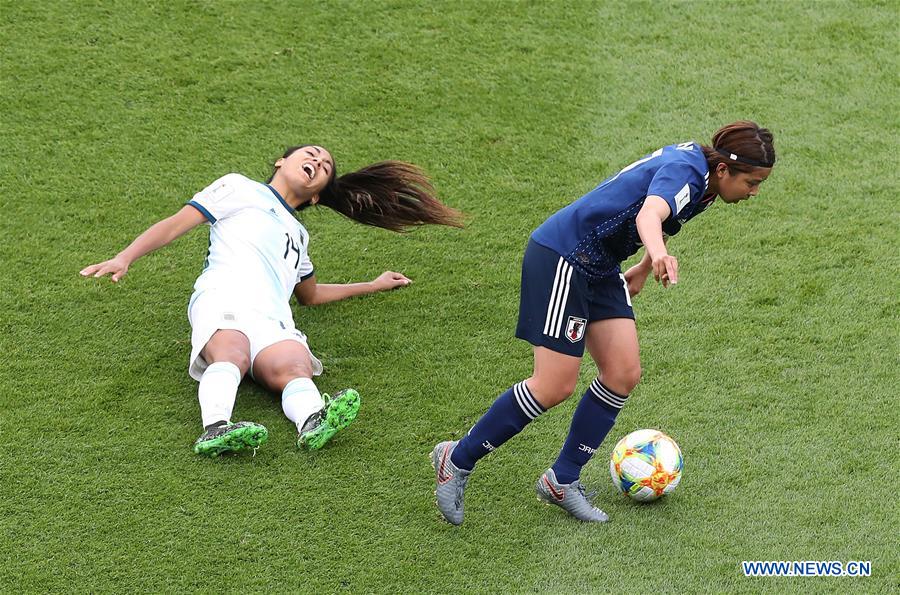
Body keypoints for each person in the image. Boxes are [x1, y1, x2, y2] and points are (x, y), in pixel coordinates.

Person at [432, 121, 775, 524]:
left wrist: (645, 265)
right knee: (553, 384)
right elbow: (651, 214)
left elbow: (663, 215)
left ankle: (562, 479)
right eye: (752, 182)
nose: (754, 193)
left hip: (600, 262)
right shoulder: (687, 171)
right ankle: (456, 459)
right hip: (566, 257)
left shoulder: (705, 181)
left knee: (622, 372)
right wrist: (659, 254)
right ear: (723, 171)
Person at [82, 145, 462, 456]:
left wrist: (372, 285)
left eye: (326, 166)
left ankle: (313, 421)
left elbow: (310, 295)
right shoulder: (238, 187)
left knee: (293, 365)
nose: (317, 161)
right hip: (223, 296)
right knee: (233, 352)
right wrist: (125, 257)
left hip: (272, 317)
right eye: (312, 154)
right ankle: (215, 428)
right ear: (282, 161)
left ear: (316, 196)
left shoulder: (299, 235)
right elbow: (176, 222)